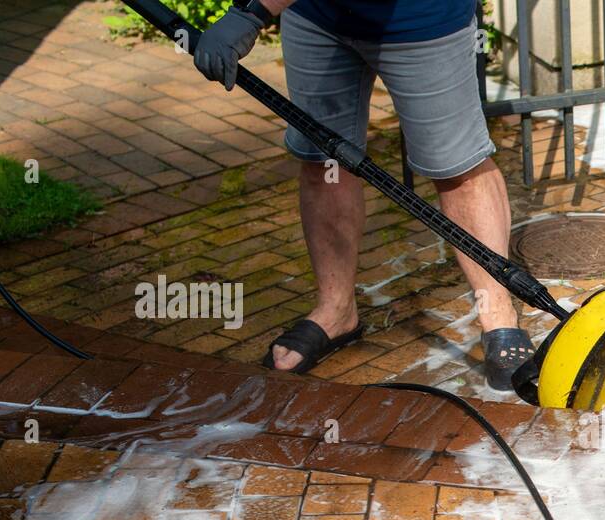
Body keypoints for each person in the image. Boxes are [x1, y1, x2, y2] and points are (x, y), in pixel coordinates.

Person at [192, 0, 535, 390]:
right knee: (324, 162)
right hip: (317, 17)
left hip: (422, 21)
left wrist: (252, 12)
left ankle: (498, 314)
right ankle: (336, 310)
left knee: (458, 169)